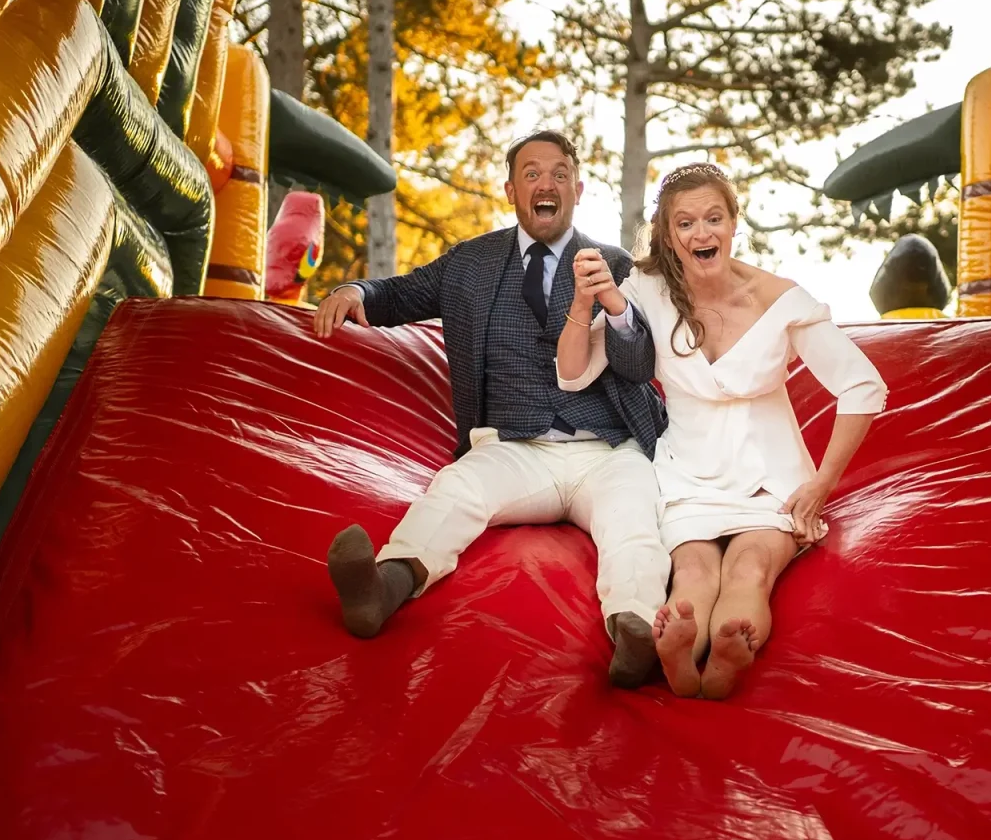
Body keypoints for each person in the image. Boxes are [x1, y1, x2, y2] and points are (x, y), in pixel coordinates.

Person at [312, 130, 670, 688]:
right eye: (531, 173)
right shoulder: (471, 263)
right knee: (456, 491)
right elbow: (402, 293)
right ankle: (383, 586)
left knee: (633, 524)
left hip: (607, 449)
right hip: (515, 448)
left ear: (577, 187)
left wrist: (617, 308)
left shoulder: (618, 264)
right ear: (510, 190)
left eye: (557, 173)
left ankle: (637, 630)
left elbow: (639, 364)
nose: (544, 183)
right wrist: (358, 291)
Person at [556, 163, 887, 698]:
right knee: (692, 575)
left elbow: (863, 387)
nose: (701, 233)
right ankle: (684, 662)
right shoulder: (646, 289)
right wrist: (582, 299)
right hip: (687, 475)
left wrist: (821, 484)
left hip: (771, 476)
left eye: (714, 218)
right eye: (685, 223)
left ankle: (728, 654)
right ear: (668, 235)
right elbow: (572, 375)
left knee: (751, 567)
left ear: (735, 223)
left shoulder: (778, 297)